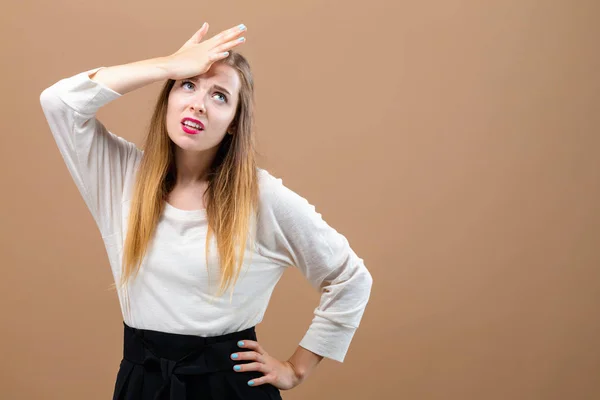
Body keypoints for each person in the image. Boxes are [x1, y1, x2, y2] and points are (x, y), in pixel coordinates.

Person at [39, 22, 373, 400]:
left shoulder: (260, 197)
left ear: (233, 125)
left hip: (228, 387)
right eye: (188, 85)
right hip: (142, 384)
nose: (198, 102)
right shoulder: (121, 178)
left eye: (219, 96)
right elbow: (59, 101)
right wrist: (169, 64)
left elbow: (351, 278)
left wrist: (296, 368)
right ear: (168, 96)